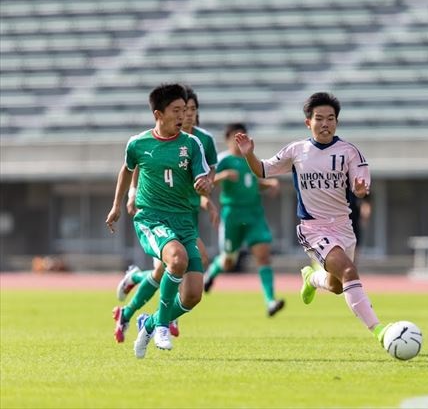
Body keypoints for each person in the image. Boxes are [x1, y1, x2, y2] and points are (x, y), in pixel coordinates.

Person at [234, 92, 392, 348]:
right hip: (313, 228)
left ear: (337, 123)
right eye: (319, 118)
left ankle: (311, 279)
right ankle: (381, 331)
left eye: (331, 118)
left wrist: (361, 190)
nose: (325, 123)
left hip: (343, 227)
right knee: (350, 271)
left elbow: (360, 184)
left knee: (337, 285)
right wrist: (249, 155)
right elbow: (262, 170)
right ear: (308, 122)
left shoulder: (349, 152)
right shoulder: (297, 151)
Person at [105, 83, 213, 358]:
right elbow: (127, 171)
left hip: (184, 221)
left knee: (192, 296)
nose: (183, 116)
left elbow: (204, 177)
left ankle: (150, 322)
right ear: (158, 114)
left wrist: (205, 185)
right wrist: (118, 204)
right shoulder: (139, 143)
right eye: (176, 110)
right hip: (150, 218)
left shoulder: (192, 143)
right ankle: (163, 324)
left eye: (186, 110)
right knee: (175, 260)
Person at [203, 123, 285, 317]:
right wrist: (222, 176)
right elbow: (204, 181)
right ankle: (211, 274)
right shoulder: (222, 160)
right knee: (229, 261)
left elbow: (253, 182)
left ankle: (270, 301)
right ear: (228, 139)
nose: (240, 142)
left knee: (263, 255)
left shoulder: (251, 160)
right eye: (236, 138)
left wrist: (269, 184)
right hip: (232, 215)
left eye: (243, 137)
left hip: (254, 214)